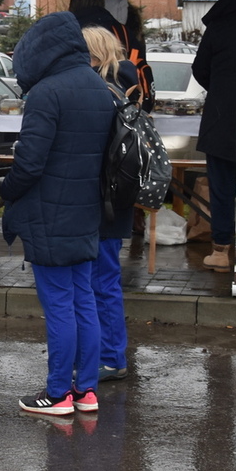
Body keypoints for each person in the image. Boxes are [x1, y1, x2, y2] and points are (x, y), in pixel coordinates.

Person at [2, 11, 115, 416]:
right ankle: (86, 390)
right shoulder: (97, 86)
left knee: (59, 306)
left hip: (49, 214)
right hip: (86, 211)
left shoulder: (46, 93)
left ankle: (57, 393)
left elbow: (29, 164)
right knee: (84, 300)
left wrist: (5, 190)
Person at [82, 25, 138, 383]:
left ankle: (112, 357)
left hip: (101, 197)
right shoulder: (126, 86)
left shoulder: (103, 91)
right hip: (118, 196)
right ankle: (107, 354)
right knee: (104, 279)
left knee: (100, 281)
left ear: (95, 54)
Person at [191, 0, 236, 270]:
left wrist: (219, 89)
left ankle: (221, 251)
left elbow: (199, 69)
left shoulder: (218, 28)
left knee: (222, 188)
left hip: (221, 121)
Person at [69, 0, 152, 99]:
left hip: (77, 94)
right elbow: (137, 61)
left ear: (73, 2)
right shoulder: (121, 31)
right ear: (101, 2)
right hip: (120, 94)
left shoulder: (68, 30)